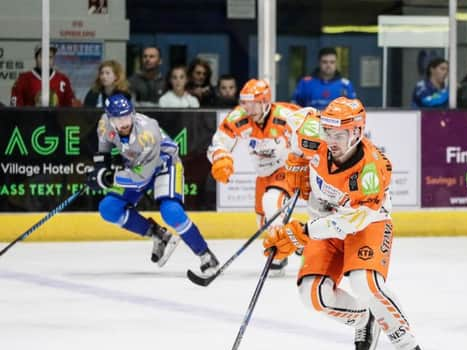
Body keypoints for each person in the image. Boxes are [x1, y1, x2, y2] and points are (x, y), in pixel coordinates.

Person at [263, 97, 428, 350]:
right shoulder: (315, 131)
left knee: (364, 282)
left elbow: (356, 219)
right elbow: (292, 116)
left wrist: (304, 232)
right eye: (328, 132)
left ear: (356, 132)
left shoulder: (371, 170)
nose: (332, 140)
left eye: (339, 135)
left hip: (367, 224)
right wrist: (295, 159)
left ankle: (407, 345)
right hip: (324, 221)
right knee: (312, 295)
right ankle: (363, 318)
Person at [87, 93, 219, 274]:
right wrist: (100, 170)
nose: (124, 123)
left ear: (132, 113)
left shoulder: (148, 132)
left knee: (171, 211)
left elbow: (142, 177)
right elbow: (104, 152)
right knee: (109, 208)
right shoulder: (104, 124)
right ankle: (158, 235)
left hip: (165, 165)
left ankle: (206, 255)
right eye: (118, 119)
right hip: (136, 167)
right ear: (110, 119)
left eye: (127, 116)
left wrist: (109, 179)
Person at [206, 79, 298, 275]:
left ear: (265, 101)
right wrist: (221, 158)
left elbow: (312, 131)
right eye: (245, 102)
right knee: (263, 220)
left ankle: (281, 251)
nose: (248, 107)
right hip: (263, 174)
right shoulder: (239, 117)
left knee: (272, 202)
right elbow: (219, 142)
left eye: (254, 102)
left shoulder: (286, 115)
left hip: (286, 169)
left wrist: (309, 162)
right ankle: (292, 241)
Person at [10, 44, 76, 107]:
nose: (46, 60)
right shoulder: (23, 79)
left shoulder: (63, 79)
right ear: (36, 58)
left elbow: (70, 109)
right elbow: (16, 109)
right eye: (43, 57)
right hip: (31, 118)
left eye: (50, 57)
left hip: (56, 118)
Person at [291, 47, 356, 109]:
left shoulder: (345, 84)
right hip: (311, 120)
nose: (328, 65)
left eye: (332, 62)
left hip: (338, 120)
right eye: (325, 62)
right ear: (319, 63)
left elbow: (353, 110)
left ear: (336, 63)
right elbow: (295, 107)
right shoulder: (305, 83)